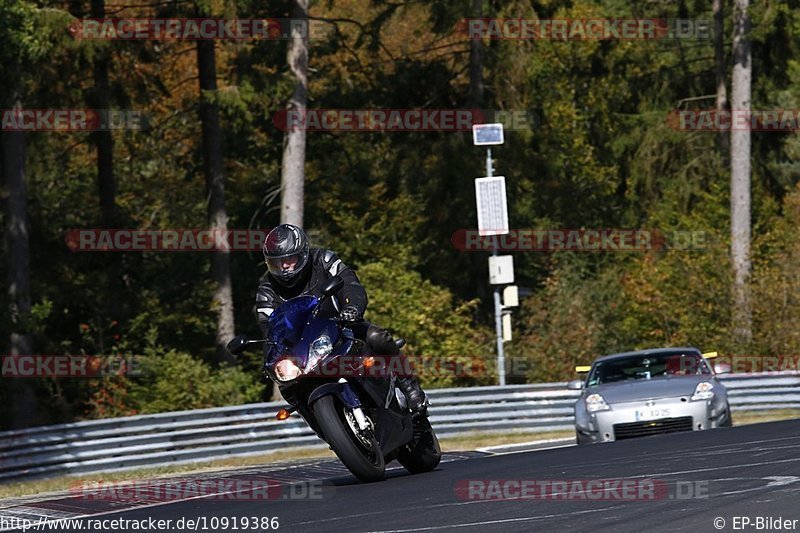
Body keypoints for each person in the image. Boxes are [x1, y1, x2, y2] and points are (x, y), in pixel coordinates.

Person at [254, 223, 429, 415]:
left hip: (342, 325)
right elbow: (269, 329)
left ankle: (410, 387)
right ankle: (326, 426)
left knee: (378, 337)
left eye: (289, 260)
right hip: (303, 352)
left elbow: (350, 284)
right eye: (276, 263)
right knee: (288, 386)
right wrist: (271, 359)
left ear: (303, 254)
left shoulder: (323, 260)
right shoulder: (266, 293)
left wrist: (352, 307)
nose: (284, 267)